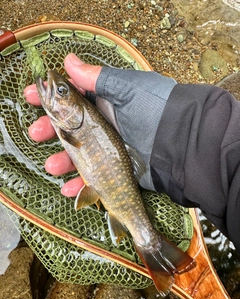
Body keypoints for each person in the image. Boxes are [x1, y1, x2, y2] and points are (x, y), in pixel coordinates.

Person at [24, 53, 240, 253]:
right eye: (62, 91)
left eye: (61, 92)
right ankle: (149, 242)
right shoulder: (69, 127)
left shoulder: (68, 129)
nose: (55, 90)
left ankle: (148, 242)